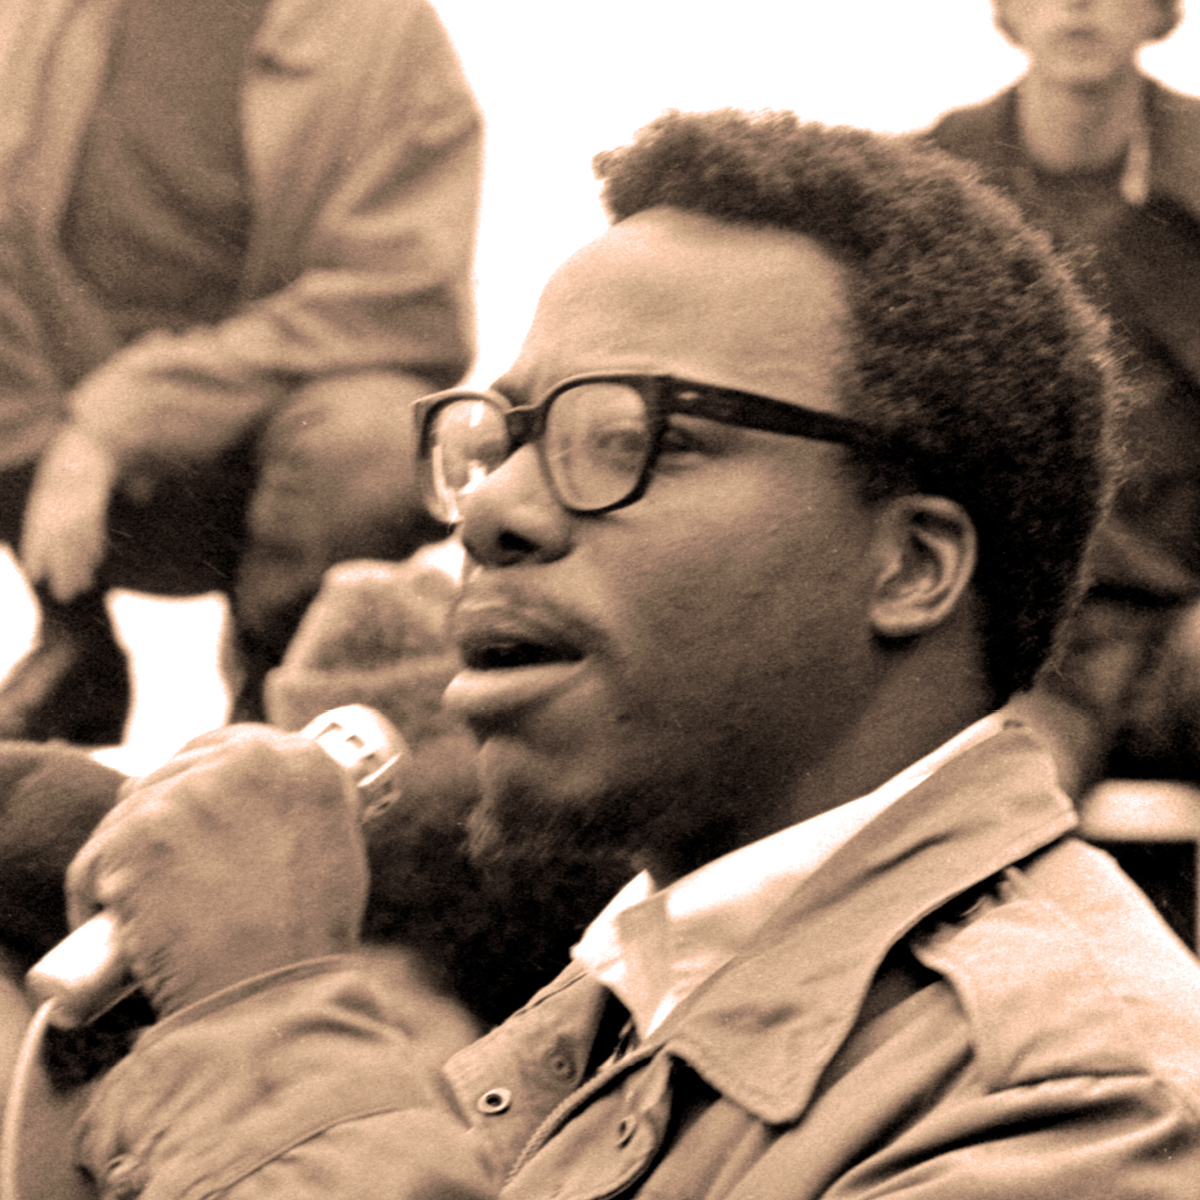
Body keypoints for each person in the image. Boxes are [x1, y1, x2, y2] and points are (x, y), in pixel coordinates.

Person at [25, 110, 1200, 1198]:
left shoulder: (1076, 1102)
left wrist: (260, 1022)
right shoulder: (617, 1015)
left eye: (630, 437)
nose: (490, 512)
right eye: (502, 437)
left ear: (910, 566)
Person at [0, 0, 481, 745]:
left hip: (265, 470)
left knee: (377, 443)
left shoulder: (386, 35)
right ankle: (75, 644)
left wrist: (117, 418)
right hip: (54, 471)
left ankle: (274, 691)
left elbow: (405, 298)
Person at [927, 0, 1200, 794]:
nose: (1079, 3)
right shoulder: (936, 186)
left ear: (1159, 13)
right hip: (1012, 635)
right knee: (967, 805)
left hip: (1184, 625)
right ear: (1007, 12)